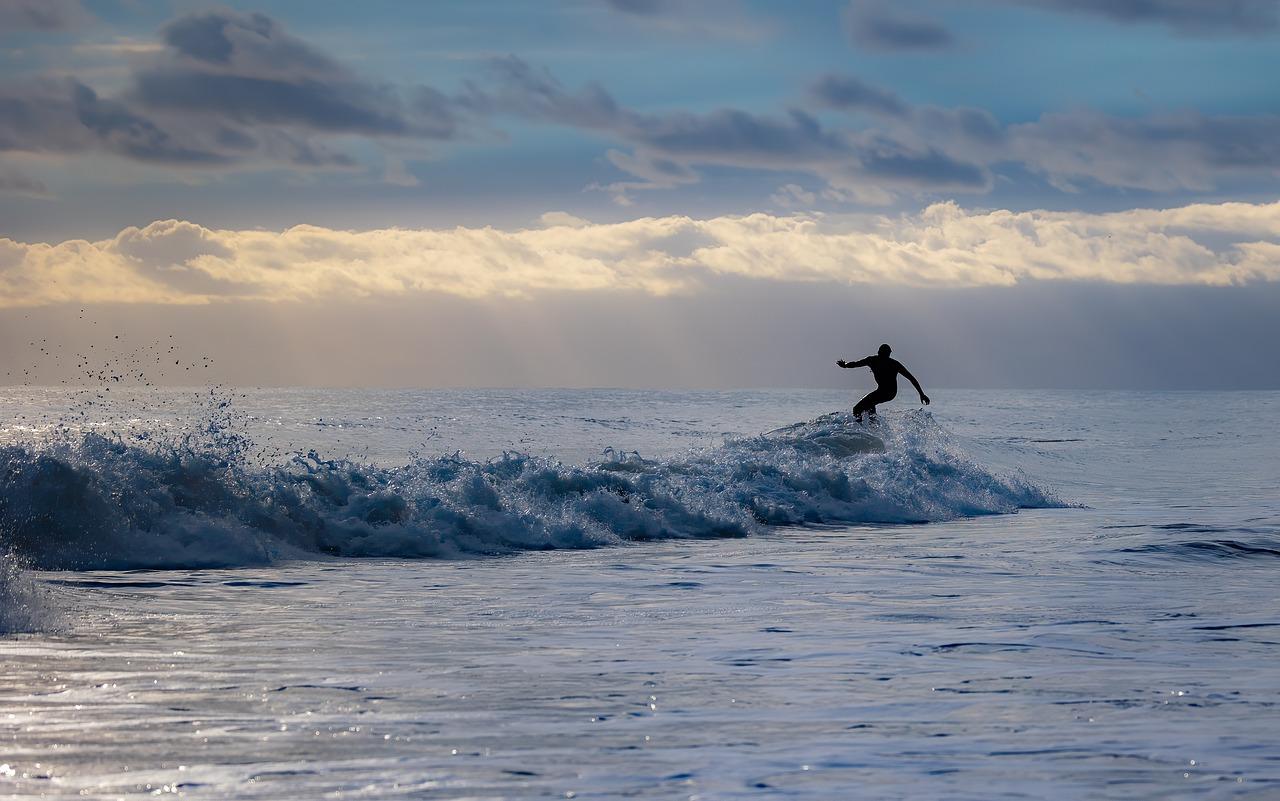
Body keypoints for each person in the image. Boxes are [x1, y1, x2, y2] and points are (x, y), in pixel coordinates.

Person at [836, 343, 930, 422]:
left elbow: (911, 378)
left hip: (890, 393)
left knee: (857, 409)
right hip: (882, 391)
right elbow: (856, 364)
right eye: (883, 354)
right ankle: (873, 426)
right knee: (869, 406)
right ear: (879, 353)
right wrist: (845, 365)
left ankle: (861, 429)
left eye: (887, 354)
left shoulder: (894, 364)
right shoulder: (872, 360)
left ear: (889, 354)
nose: (885, 357)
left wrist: (922, 394)